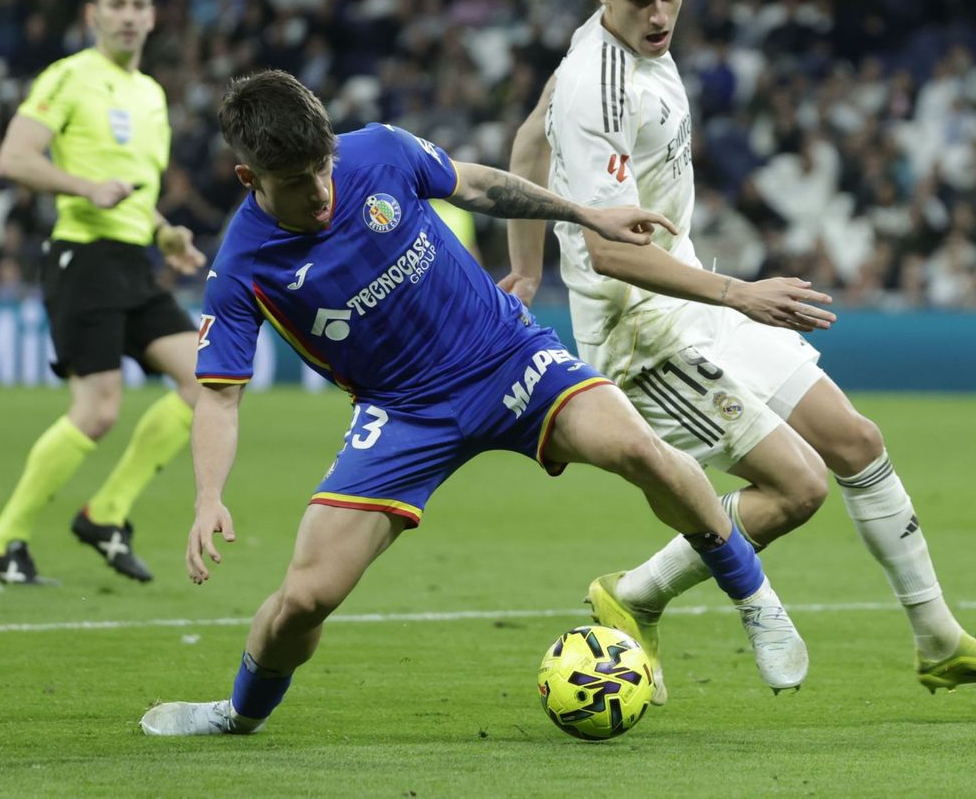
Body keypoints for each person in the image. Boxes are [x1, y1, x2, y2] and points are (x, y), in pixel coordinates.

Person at [139, 70, 806, 737]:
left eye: (322, 169)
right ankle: (238, 712)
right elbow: (220, 398)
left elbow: (480, 184)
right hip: (404, 414)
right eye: (295, 182)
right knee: (306, 598)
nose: (319, 192)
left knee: (639, 449)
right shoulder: (244, 265)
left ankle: (755, 597)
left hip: (506, 355)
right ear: (247, 176)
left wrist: (586, 214)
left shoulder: (376, 151)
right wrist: (207, 495)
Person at [503, 0, 976, 703]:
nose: (661, 16)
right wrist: (739, 291)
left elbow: (528, 141)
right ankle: (637, 594)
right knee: (798, 489)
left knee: (857, 441)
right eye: (641, 1)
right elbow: (610, 248)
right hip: (641, 338)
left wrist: (522, 273)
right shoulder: (598, 83)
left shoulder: (610, 52)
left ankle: (939, 640)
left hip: (694, 301)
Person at [0, 0, 207, 586]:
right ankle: (3, 540)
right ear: (94, 15)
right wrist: (82, 186)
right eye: (117, 4)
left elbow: (128, 189)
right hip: (83, 256)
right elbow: (13, 157)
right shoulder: (69, 77)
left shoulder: (152, 96)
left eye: (139, 4)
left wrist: (164, 231)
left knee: (208, 381)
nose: (129, 15)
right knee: (99, 410)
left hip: (133, 259)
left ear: (154, 17)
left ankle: (106, 513)